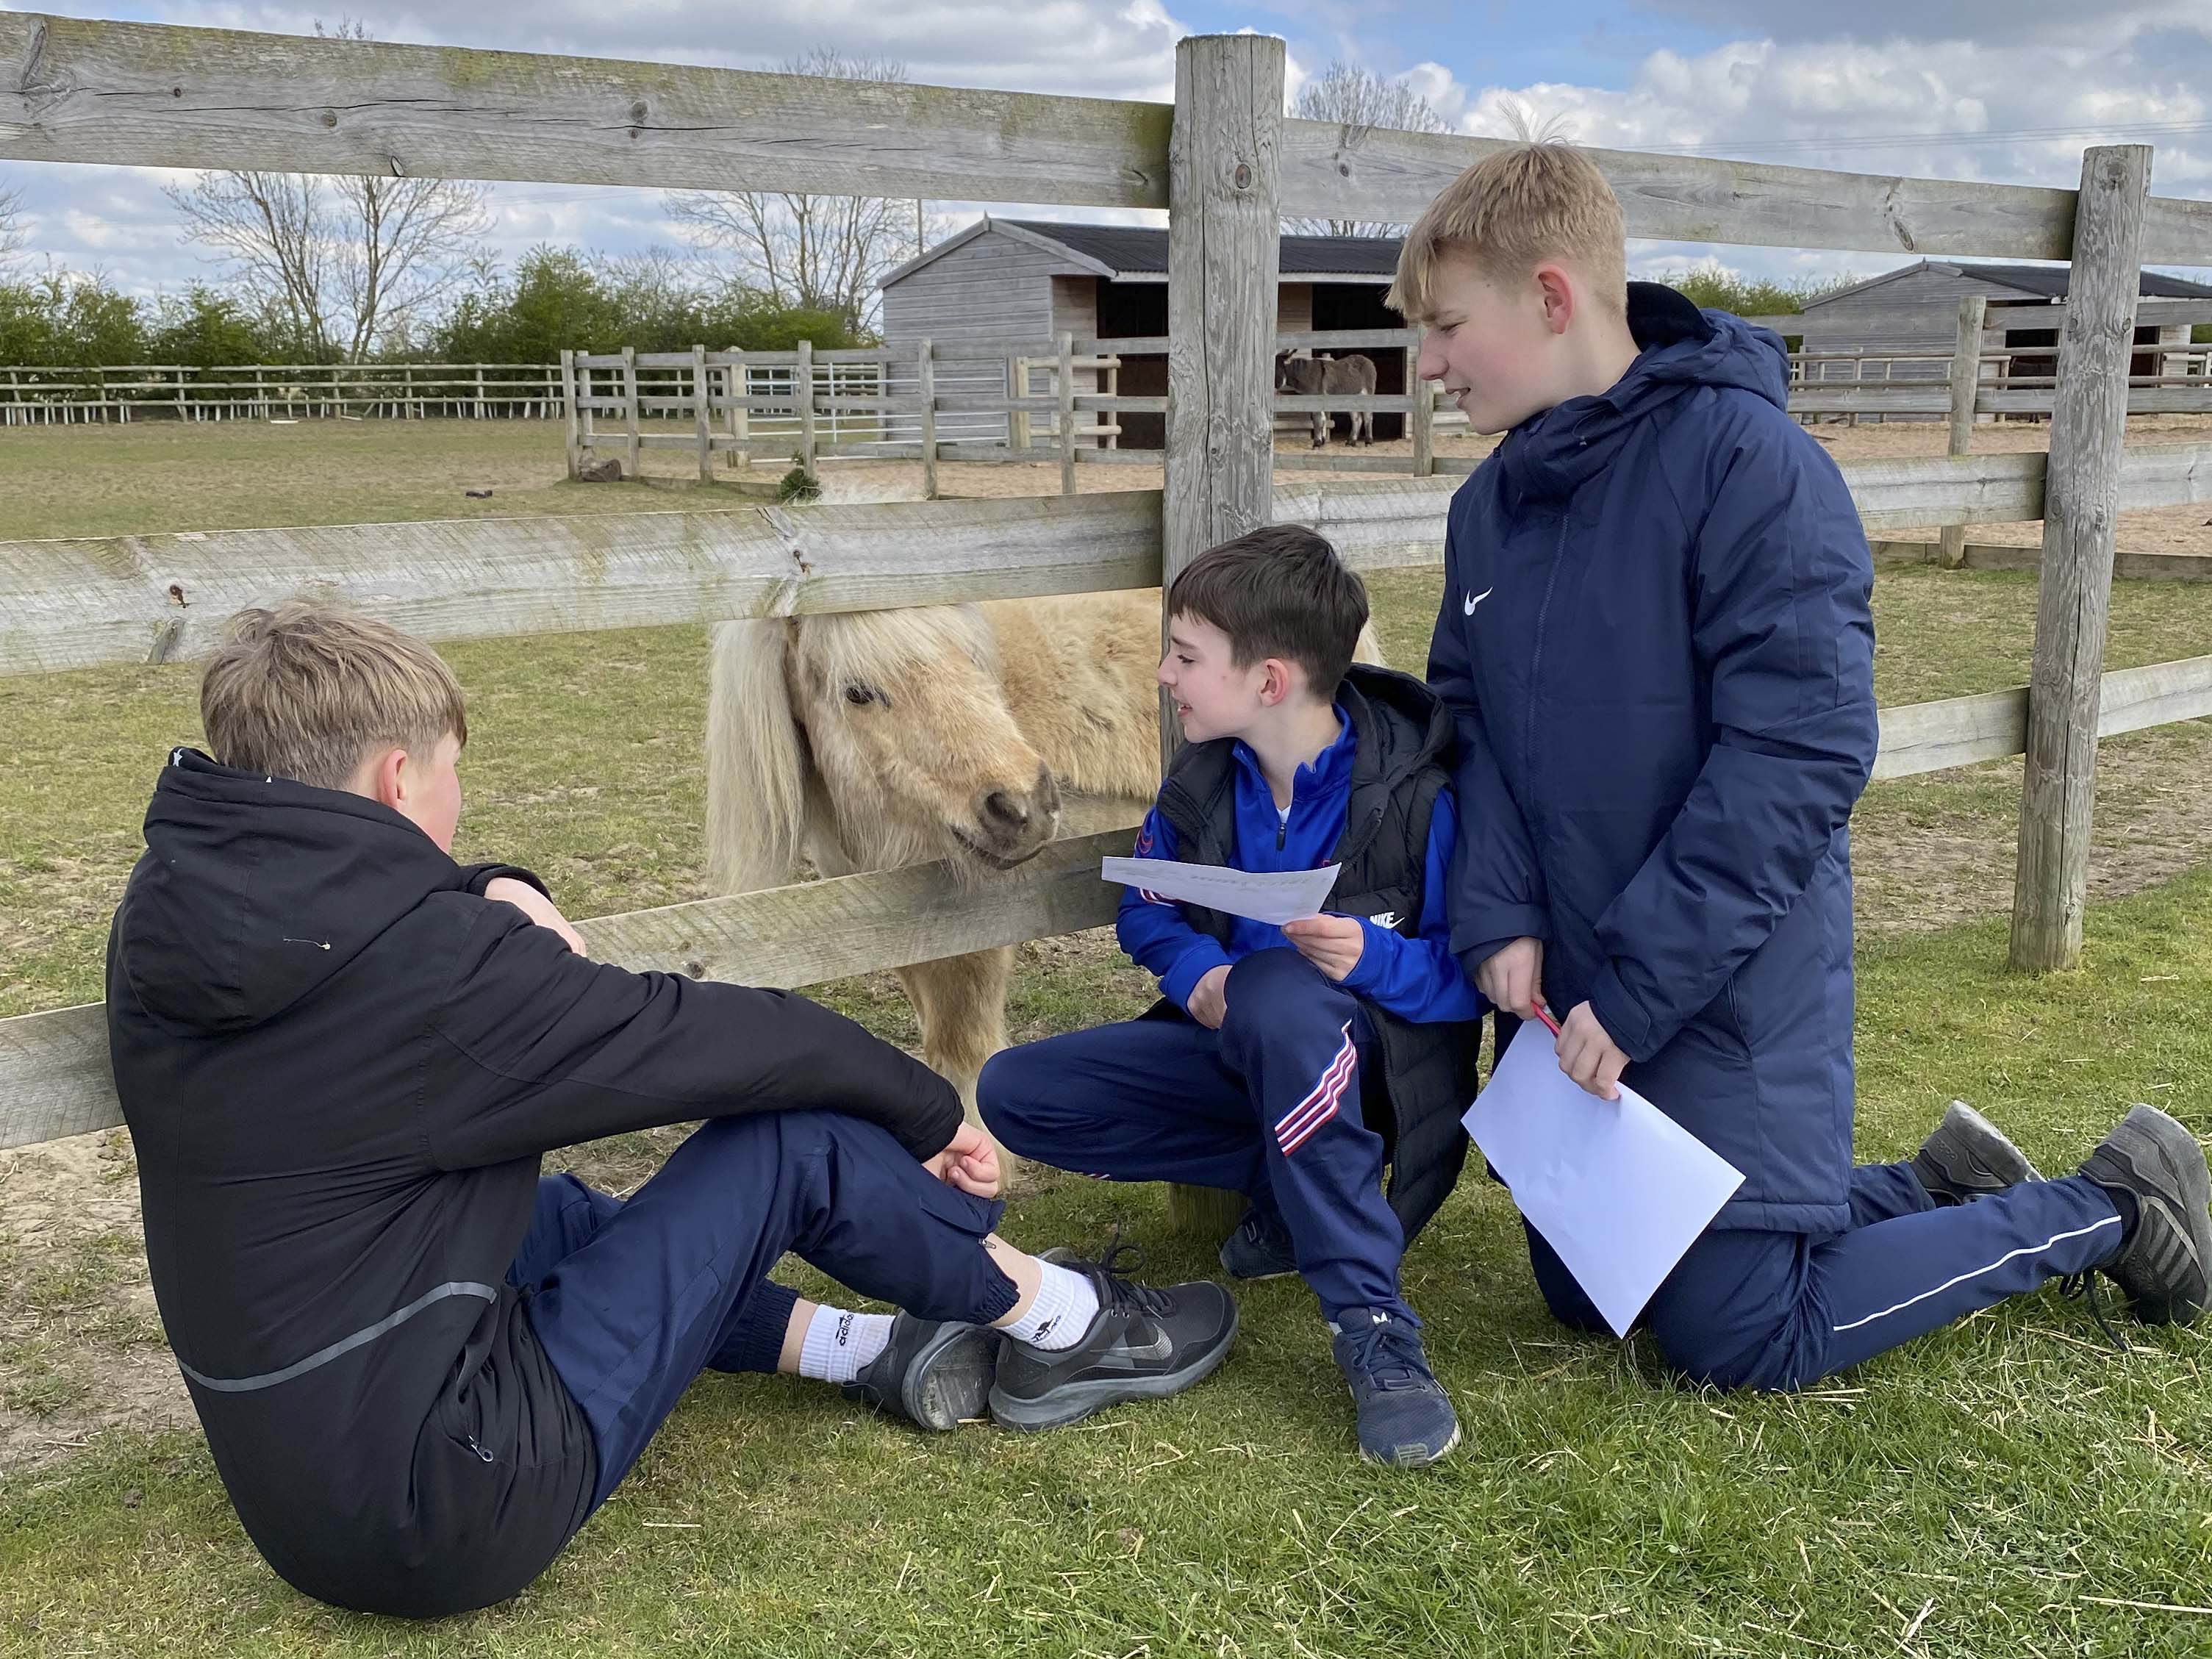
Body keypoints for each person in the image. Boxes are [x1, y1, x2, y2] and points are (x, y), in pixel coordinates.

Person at [104, 600, 1237, 1619]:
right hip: (455, 1501)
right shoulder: (439, 983)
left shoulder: (173, 915)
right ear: (400, 781)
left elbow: (360, 900)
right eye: (452, 772)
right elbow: (740, 1045)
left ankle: (863, 1350)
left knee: (540, 1215)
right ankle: (1065, 1324)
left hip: (306, 1490)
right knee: (791, 1139)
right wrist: (930, 1117)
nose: (457, 798)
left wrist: (490, 880)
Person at [1400, 139, 2212, 1390]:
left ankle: (2105, 1203)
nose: (1430, 362)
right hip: (1573, 987)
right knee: (1581, 1298)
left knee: (1741, 1338)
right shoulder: (1487, 506)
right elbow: (1470, 724)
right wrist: (1499, 914)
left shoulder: (1751, 469)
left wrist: (1637, 985)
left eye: (1447, 325)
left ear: (1551, 297)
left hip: (1717, 976)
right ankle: (1926, 1185)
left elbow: (1800, 749)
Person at [979, 527, 1483, 1467]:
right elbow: (1149, 909)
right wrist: (1194, 975)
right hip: (1241, 1048)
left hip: (1374, 1075)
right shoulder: (1201, 780)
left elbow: (1467, 983)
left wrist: (1367, 964)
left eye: (1185, 656)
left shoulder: (1423, 801)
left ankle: (1376, 1328)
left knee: (1285, 999)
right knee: (1017, 1091)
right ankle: (1287, 1193)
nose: (1165, 676)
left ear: (1270, 680)